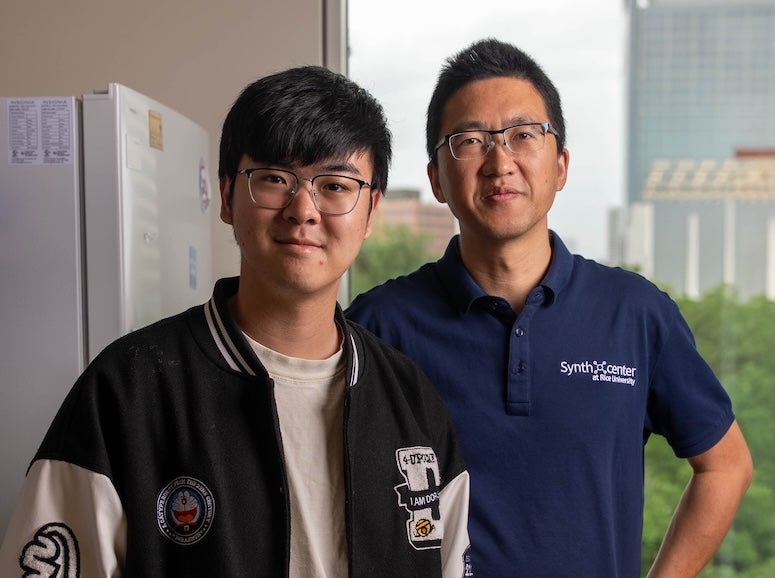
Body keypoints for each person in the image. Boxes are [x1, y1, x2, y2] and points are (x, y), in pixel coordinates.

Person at [0, 66, 473, 577]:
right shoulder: (125, 390)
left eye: (335, 186)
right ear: (227, 197)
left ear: (370, 211)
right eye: (274, 179)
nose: (303, 209)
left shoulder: (411, 401)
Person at [346, 39, 753, 577]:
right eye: (470, 140)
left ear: (560, 166)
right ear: (437, 179)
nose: (499, 162)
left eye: (523, 135)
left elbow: (726, 467)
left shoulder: (635, 314)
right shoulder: (380, 325)